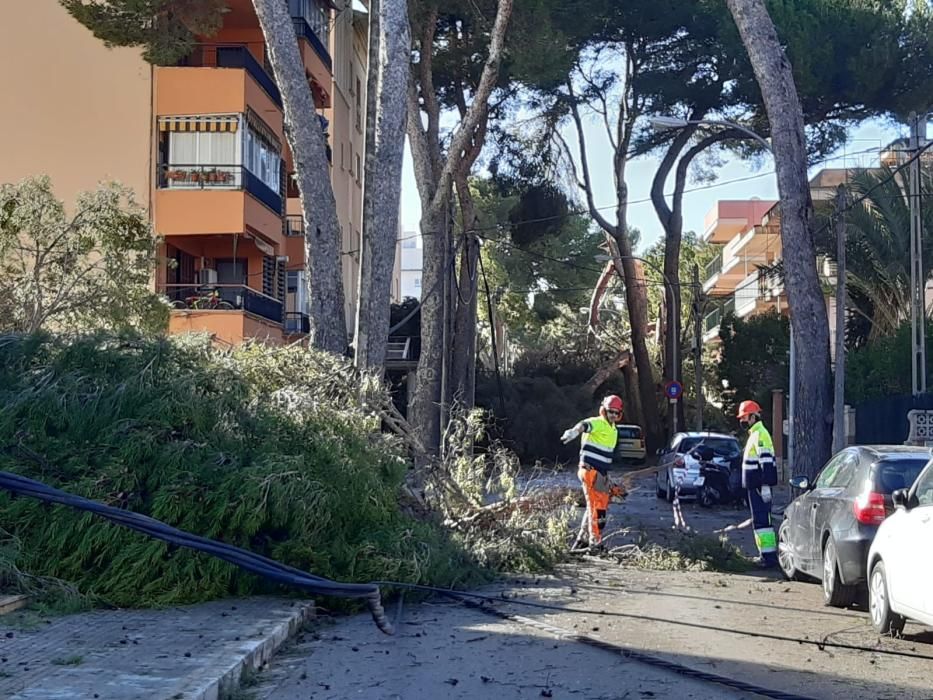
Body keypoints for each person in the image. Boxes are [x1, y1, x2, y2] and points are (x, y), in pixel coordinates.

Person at [561, 395, 624, 549]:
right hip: (590, 471)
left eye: (616, 413)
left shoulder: (614, 429)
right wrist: (574, 432)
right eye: (611, 412)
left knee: (594, 506)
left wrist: (606, 478)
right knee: (597, 508)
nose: (613, 415)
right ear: (604, 410)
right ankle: (595, 543)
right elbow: (584, 425)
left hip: (600, 475)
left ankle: (581, 541)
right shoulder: (598, 422)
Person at [737, 399, 779, 568]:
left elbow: (766, 462)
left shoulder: (761, 434)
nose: (742, 421)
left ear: (753, 417)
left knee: (763, 522)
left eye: (745, 417)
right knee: (759, 521)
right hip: (755, 487)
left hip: (759, 487)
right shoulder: (755, 434)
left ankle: (769, 558)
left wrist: (766, 485)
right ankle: (765, 554)